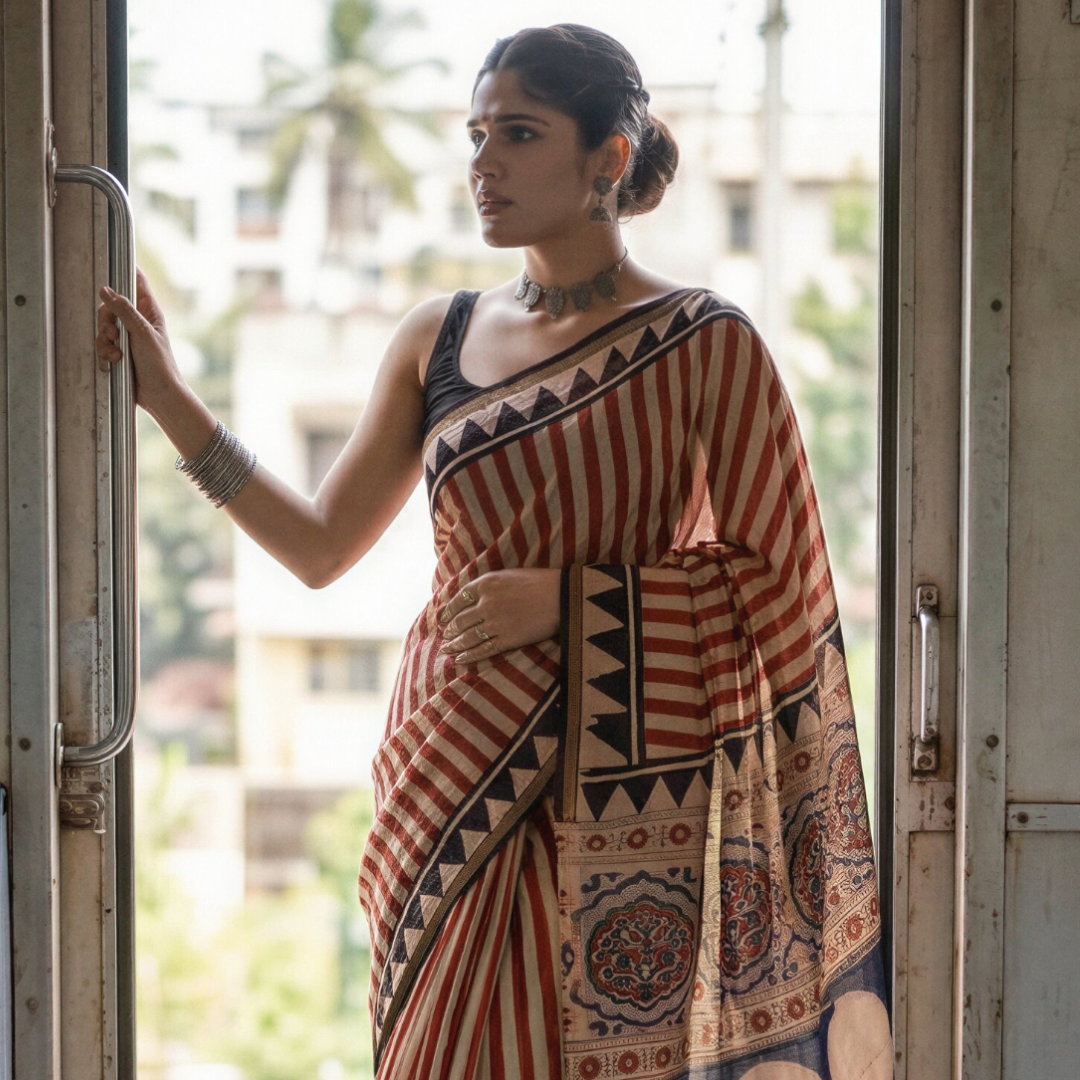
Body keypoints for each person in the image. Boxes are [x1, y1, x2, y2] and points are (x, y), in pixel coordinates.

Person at [97, 22, 894, 1080]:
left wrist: (573, 607)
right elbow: (322, 548)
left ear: (611, 155)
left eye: (518, 133)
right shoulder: (440, 337)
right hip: (447, 772)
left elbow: (778, 587)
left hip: (615, 803)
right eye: (476, 134)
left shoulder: (707, 344)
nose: (482, 163)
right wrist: (170, 401)